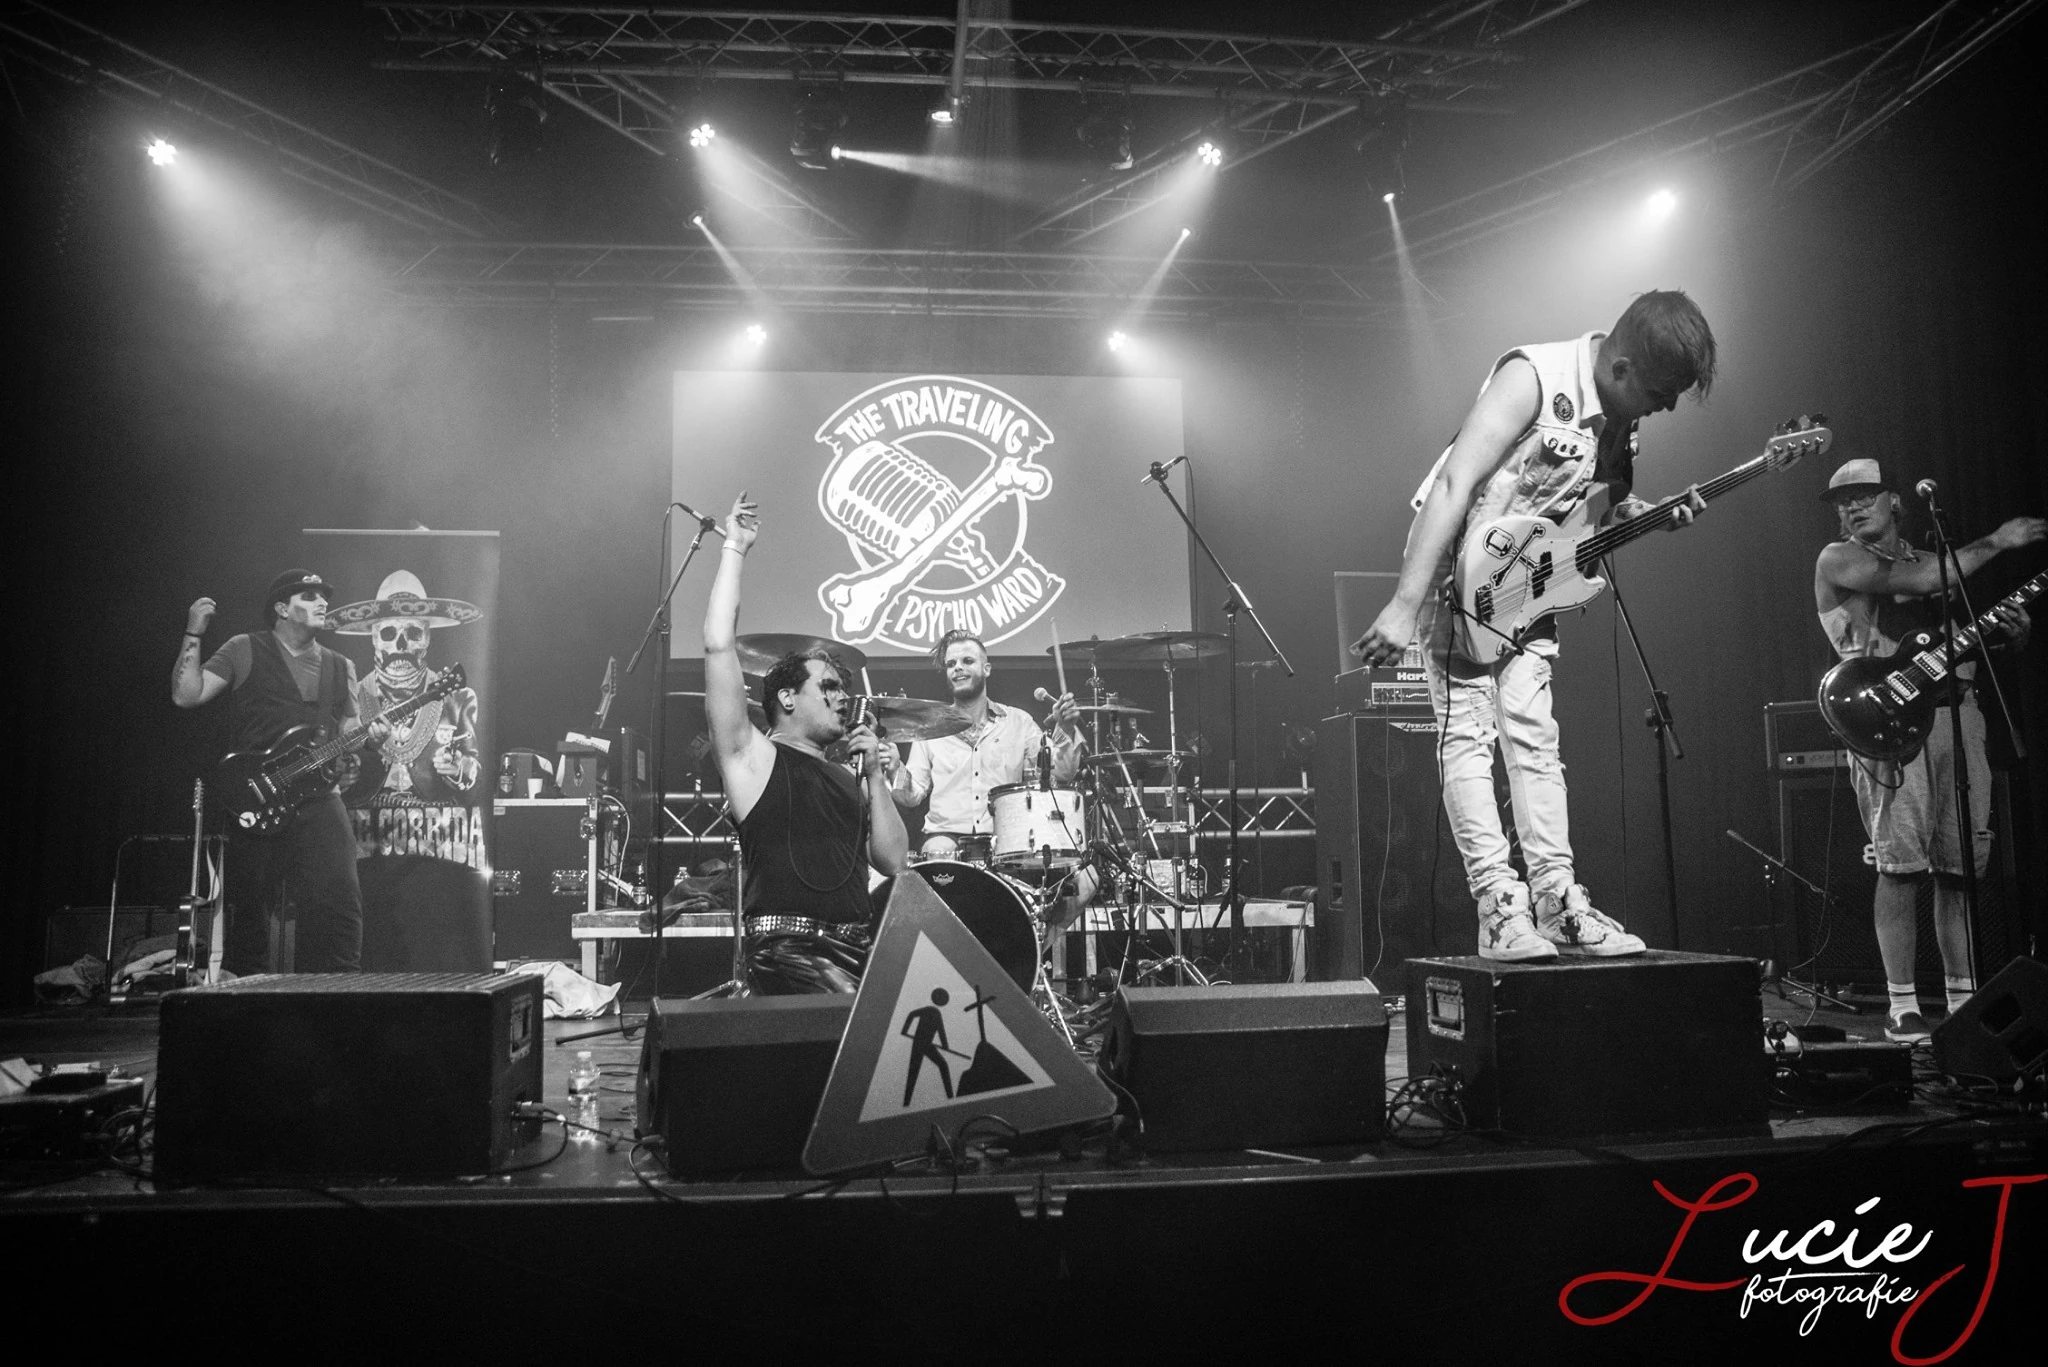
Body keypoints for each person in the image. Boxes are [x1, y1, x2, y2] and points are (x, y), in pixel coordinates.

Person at [1352, 290, 1716, 961]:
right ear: (1623, 367)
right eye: (1660, 393)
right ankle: (1498, 909)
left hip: (1531, 583)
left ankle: (1556, 902)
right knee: (1469, 737)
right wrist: (1405, 601)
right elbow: (1455, 482)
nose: (1664, 408)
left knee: (1534, 740)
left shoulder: (1620, 418)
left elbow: (1592, 508)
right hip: (1460, 573)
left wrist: (1646, 514)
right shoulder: (1533, 377)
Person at [1812, 457, 2042, 1041]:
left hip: (1958, 715)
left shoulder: (1933, 562)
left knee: (1959, 868)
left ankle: (1962, 1000)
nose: (1852, 506)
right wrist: (1998, 540)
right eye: (1842, 500)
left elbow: (1947, 640)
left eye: (1865, 494)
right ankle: (1902, 1005)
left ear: (1895, 500)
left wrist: (2008, 639)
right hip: (1887, 722)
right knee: (1901, 867)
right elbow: (1918, 583)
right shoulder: (1838, 558)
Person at [704, 492, 910, 994]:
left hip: (858, 950)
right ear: (787, 698)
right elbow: (717, 643)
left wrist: (875, 776)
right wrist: (735, 548)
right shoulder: (754, 757)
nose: (843, 698)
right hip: (789, 953)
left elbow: (893, 862)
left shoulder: (846, 776)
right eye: (829, 687)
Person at [172, 569, 384, 974]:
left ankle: (337, 990)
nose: (323, 602)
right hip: (256, 795)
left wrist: (372, 735)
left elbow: (350, 733)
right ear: (282, 608)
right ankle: (246, 992)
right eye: (309, 596)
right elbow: (187, 695)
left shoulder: (340, 665)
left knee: (341, 901)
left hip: (319, 797)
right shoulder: (244, 648)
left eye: (323, 596)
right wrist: (194, 632)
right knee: (249, 908)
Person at [888, 629, 1085, 861]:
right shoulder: (931, 728)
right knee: (937, 851)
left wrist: (1066, 729)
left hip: (1007, 835)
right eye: (951, 664)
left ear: (986, 669)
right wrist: (896, 769)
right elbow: (911, 795)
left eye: (967, 661)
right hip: (946, 836)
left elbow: (1060, 774)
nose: (957, 668)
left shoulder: (1019, 722)